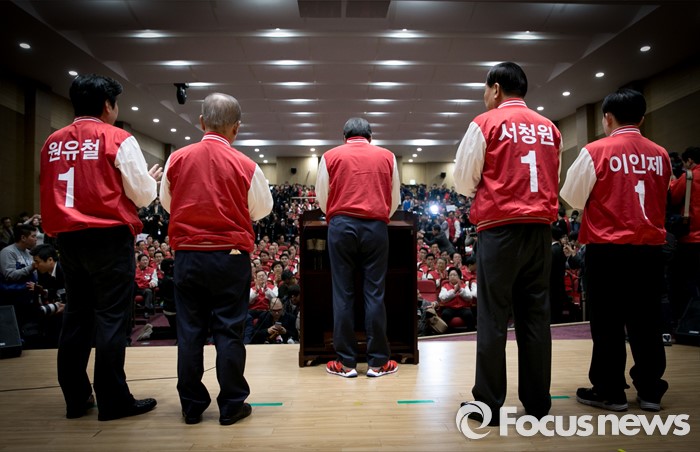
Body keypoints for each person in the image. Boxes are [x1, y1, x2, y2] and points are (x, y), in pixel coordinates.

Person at [39, 74, 160, 421]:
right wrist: (149, 182)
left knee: (76, 316)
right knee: (111, 318)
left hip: (67, 239)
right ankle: (113, 400)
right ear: (108, 105)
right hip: (108, 237)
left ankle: (76, 399)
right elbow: (142, 195)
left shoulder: (52, 141)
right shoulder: (116, 138)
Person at [453, 62, 562, 424]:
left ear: (496, 88)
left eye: (485, 89)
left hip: (500, 229)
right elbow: (553, 176)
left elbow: (463, 181)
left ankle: (488, 404)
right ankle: (538, 403)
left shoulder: (486, 123)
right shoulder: (550, 128)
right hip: (540, 231)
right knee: (536, 317)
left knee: (493, 317)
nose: (484, 96)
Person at [160, 92, 273, 425]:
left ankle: (192, 405)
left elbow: (168, 204)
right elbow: (262, 209)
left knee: (190, 332)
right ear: (236, 128)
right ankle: (231, 405)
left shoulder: (177, 159)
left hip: (188, 256)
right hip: (230, 257)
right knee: (229, 331)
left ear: (201, 122)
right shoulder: (246, 164)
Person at [561, 88, 671, 412]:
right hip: (650, 250)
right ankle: (650, 391)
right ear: (642, 118)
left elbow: (573, 197)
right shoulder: (661, 154)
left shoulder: (596, 151)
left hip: (608, 250)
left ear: (607, 118)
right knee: (647, 322)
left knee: (608, 323)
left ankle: (610, 391)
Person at [316, 117, 401, 378]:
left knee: (343, 293)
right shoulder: (387, 156)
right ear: (370, 137)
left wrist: (338, 215)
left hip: (341, 226)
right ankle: (377, 363)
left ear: (344, 137)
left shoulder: (330, 156)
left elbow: (322, 198)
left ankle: (346, 363)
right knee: (374, 293)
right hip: (375, 227)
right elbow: (394, 199)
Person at [668, 146, 700, 326]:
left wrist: (672, 180)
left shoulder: (689, 177)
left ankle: (687, 323)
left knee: (684, 283)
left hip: (691, 239)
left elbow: (673, 197)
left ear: (690, 161)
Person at [0, 224, 38, 334]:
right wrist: (31, 267)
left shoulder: (28, 252)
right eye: (33, 236)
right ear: (23, 238)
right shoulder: (7, 252)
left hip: (27, 298)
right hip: (13, 298)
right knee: (15, 329)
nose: (36, 239)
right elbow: (10, 274)